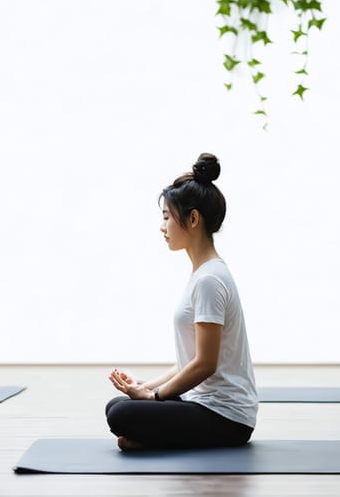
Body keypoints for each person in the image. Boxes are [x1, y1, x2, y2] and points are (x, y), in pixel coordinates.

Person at [106, 153, 258, 450]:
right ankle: (151, 438)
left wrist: (155, 398)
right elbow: (189, 362)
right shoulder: (203, 274)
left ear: (192, 218)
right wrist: (144, 387)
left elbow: (205, 364)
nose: (162, 227)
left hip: (227, 418)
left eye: (166, 217)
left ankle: (155, 440)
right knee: (117, 405)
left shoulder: (209, 280)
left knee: (122, 413)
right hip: (202, 404)